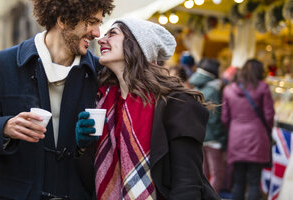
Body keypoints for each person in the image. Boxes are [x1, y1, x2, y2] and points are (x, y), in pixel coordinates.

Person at [0, 0, 114, 200]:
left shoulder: (101, 73)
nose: (97, 32)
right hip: (14, 194)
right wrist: (5, 128)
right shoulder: (3, 63)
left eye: (99, 23)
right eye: (91, 22)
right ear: (63, 20)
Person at [75, 18, 220, 199]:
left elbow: (187, 185)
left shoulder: (178, 104)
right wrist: (83, 148)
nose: (101, 39)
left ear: (138, 45)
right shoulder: (103, 102)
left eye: (112, 34)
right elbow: (90, 180)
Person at [222, 59, 275, 200]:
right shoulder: (263, 88)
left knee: (238, 181)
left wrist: (233, 130)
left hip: (236, 138)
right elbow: (269, 116)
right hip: (257, 138)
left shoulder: (228, 90)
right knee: (253, 182)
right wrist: (267, 131)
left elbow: (225, 118)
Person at [189, 58, 227, 194]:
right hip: (213, 139)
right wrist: (221, 137)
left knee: (203, 171)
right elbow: (214, 119)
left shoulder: (197, 88)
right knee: (217, 172)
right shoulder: (213, 90)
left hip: (200, 135)